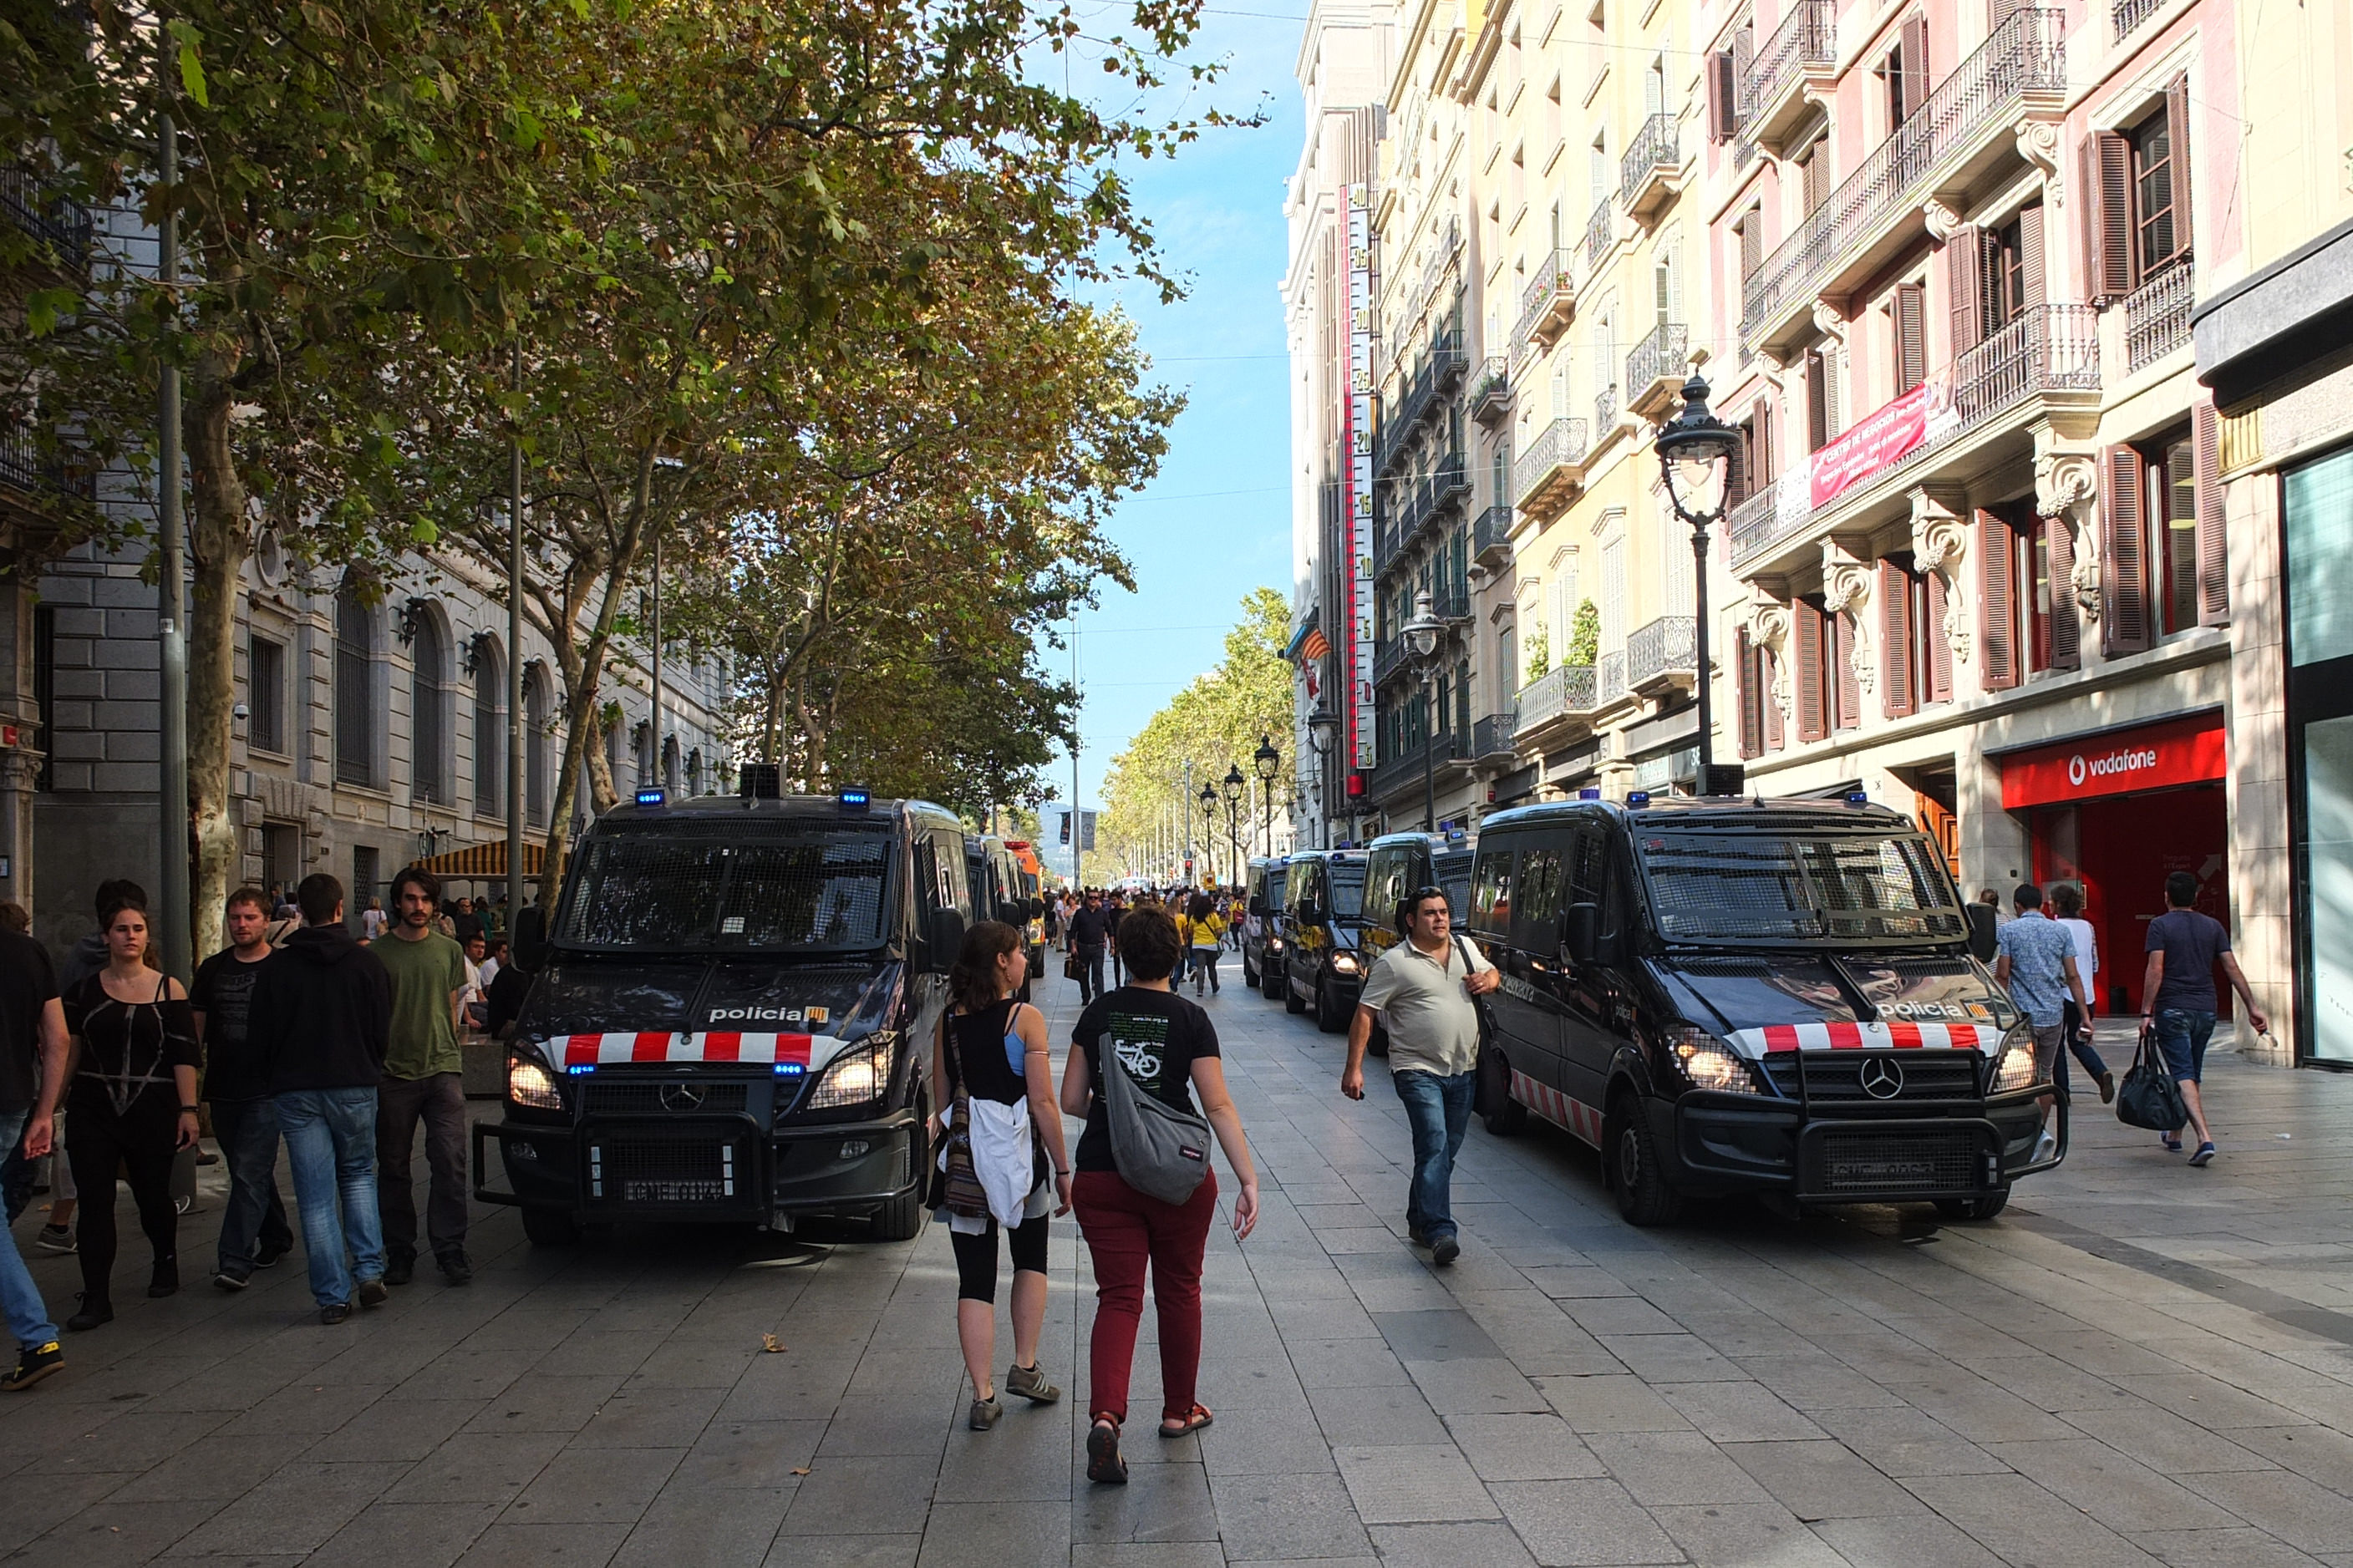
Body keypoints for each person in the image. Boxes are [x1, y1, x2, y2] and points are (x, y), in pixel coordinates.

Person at [1061, 906, 1259, 1485]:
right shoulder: (1191, 1018)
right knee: (1179, 1290)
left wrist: (1122, 1119)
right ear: (1176, 953)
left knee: (1118, 1298)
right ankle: (1179, 1410)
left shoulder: (1098, 1013)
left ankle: (1106, 1417)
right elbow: (1216, 1104)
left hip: (1104, 1174)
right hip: (1178, 1180)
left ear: (1120, 952)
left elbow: (1071, 1099)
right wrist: (1247, 1179)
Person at [933, 921, 1073, 1432]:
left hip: (967, 1169)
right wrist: (1063, 1168)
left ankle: (983, 1395)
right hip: (1021, 1163)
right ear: (1000, 961)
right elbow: (1043, 1102)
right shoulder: (1024, 1019)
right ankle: (1026, 1366)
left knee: (974, 1278)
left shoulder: (948, 1022)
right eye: (1018, 952)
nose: (1023, 959)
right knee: (1030, 1259)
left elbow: (943, 1103)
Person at [250, 873, 394, 1324]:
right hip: (353, 1082)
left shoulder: (276, 968)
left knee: (314, 1196)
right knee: (359, 1175)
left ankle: (332, 1296)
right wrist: (368, 1065)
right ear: (339, 908)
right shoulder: (366, 964)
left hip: (296, 1089)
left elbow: (260, 1035)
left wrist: (275, 1077)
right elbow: (381, 1029)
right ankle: (369, 1270)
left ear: (299, 913)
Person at [58, 900, 201, 1330]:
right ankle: (96, 1296)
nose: (130, 936)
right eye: (121, 929)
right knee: (94, 1201)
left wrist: (189, 1110)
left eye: (137, 928)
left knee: (152, 1195)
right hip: (92, 1108)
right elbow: (69, 1051)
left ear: (147, 935)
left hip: (152, 1108)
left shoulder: (169, 989)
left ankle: (165, 1260)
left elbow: (183, 1055)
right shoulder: (82, 992)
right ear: (106, 937)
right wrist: (50, 1107)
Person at [1341, 887, 1497, 1266]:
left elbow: (1493, 973)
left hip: (1464, 1067)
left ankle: (1418, 1216)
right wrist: (1354, 1068)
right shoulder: (1395, 963)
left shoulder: (1464, 948)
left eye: (1443, 912)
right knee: (1435, 1144)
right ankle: (1440, 1230)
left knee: (1445, 1151)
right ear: (1411, 920)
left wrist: (1489, 981)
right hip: (1416, 1069)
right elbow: (1365, 1013)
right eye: (1430, 913)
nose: (1440, 919)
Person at [373, 868, 474, 1286]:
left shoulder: (449, 950)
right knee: (394, 1166)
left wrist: (450, 1046)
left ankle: (450, 1248)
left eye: (426, 900)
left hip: (443, 1069)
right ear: (398, 902)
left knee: (450, 1160)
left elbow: (451, 1006)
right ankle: (399, 1251)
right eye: (412, 899)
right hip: (393, 1073)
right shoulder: (377, 954)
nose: (419, 907)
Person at [192, 888, 297, 1291]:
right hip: (223, 1087)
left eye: (250, 917)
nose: (241, 925)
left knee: (250, 1171)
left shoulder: (284, 968)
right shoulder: (212, 968)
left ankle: (234, 1260)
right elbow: (196, 1029)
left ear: (266, 921)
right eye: (235, 918)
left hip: (268, 1089)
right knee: (246, 1171)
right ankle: (276, 1235)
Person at [2142, 870, 2269, 1167]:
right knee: (2191, 1072)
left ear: (2166, 896)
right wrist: (2252, 1006)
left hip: (2174, 1007)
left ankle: (2204, 1138)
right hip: (2206, 1009)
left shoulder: (2160, 925)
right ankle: (2175, 1134)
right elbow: (2232, 968)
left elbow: (2156, 969)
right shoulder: (2213, 926)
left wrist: (2146, 1011)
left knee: (2183, 1072)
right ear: (2196, 897)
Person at [0, 910, 68, 1388]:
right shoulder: (28, 952)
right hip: (13, 1100)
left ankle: (37, 1336)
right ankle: (36, 1337)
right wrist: (45, 1112)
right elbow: (57, 1038)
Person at [1993, 884, 2087, 1111]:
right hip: (2053, 1014)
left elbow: (2003, 974)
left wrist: (1997, 1010)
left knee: (2022, 1077)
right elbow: (2073, 976)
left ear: (2018, 906)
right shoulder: (2061, 931)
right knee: (2045, 1076)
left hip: (2023, 1018)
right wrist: (2085, 1016)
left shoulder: (2009, 931)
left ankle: (2026, 1125)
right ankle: (2041, 1128)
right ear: (2042, 905)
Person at [2046, 884, 2114, 1104]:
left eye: (2051, 900)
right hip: (2087, 994)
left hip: (2063, 993)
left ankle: (2062, 1092)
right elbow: (2095, 962)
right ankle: (2100, 1073)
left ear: (2058, 904)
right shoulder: (2087, 926)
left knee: (2056, 1045)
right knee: (2078, 1041)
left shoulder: (2055, 927)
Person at [1179, 892, 1225, 997]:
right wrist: (1217, 939)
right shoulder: (1213, 916)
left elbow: (1191, 931)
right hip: (1211, 945)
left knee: (1200, 967)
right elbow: (1219, 931)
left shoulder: (1194, 917)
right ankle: (1214, 987)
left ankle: (1200, 990)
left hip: (1198, 945)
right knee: (1212, 968)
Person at [1067, 891, 1110, 1003]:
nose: (1093, 900)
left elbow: (1110, 930)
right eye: (1091, 898)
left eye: (1096, 898)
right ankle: (1085, 996)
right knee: (1083, 973)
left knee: (1098, 973)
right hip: (1083, 947)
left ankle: (1099, 998)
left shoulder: (1103, 913)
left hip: (1098, 948)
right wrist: (1073, 947)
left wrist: (1113, 946)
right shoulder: (1080, 913)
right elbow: (1073, 931)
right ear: (1087, 899)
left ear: (1099, 899)